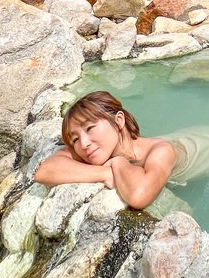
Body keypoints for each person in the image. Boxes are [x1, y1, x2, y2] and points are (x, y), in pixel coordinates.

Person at [34, 90, 182, 210]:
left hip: (201, 145)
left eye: (90, 128)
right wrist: (104, 173)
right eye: (75, 139)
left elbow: (139, 196)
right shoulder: (92, 147)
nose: (84, 143)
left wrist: (117, 162)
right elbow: (45, 172)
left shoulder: (161, 151)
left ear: (119, 120)